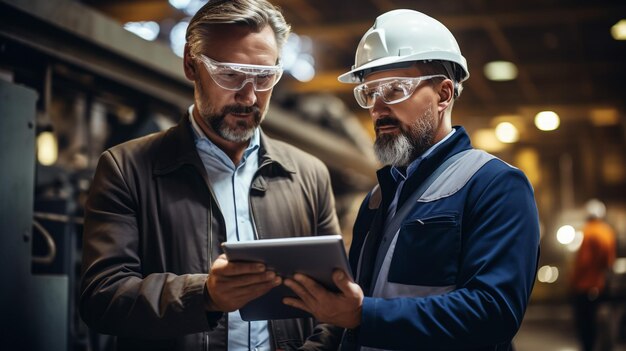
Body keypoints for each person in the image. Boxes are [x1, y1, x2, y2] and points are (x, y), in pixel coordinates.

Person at [79, 0, 341, 350]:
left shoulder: (309, 175)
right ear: (191, 64)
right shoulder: (126, 169)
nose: (249, 97)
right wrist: (204, 294)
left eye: (264, 78)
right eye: (230, 75)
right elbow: (102, 297)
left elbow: (336, 301)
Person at [285, 9, 541, 350]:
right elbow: (355, 305)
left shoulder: (495, 185)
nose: (377, 108)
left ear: (444, 94)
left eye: (394, 90)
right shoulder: (377, 198)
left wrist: (365, 314)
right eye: (369, 93)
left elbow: (493, 311)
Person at [570, 200, 616, 351]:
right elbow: (609, 262)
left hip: (584, 286)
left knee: (585, 326)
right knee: (598, 323)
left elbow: (582, 262)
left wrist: (572, 282)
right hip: (600, 285)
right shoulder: (607, 232)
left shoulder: (587, 232)